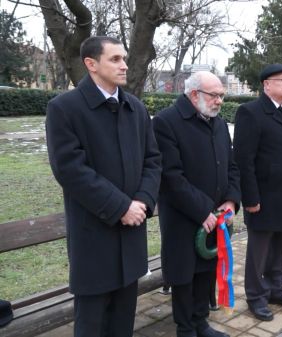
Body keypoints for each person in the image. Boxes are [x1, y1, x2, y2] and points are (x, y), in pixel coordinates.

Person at [45, 36, 161, 337]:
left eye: (124, 58)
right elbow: (70, 170)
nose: (124, 65)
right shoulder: (64, 108)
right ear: (90, 64)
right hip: (94, 236)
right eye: (115, 59)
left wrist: (143, 202)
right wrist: (121, 206)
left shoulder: (134, 107)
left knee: (123, 322)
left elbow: (153, 160)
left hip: (132, 234)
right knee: (92, 323)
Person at [153, 71, 240, 337]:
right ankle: (185, 327)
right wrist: (202, 210)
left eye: (222, 96)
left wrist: (230, 201)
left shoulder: (219, 124)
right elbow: (171, 176)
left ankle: (201, 321)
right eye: (214, 95)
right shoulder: (166, 122)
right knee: (184, 274)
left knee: (207, 270)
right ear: (194, 95)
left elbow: (232, 167)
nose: (219, 101)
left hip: (216, 214)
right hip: (183, 215)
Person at [233, 63, 282, 321]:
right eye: (281, 80)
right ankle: (256, 296)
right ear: (266, 85)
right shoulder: (251, 112)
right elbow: (243, 160)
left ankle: (277, 288)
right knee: (259, 251)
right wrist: (251, 198)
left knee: (281, 247)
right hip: (264, 198)